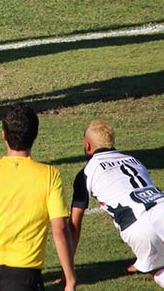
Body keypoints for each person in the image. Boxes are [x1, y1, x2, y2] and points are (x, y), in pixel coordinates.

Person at [0, 103, 76, 291]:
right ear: (35, 135)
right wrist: (70, 279)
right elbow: (59, 230)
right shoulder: (50, 176)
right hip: (24, 279)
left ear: (4, 135)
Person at [69, 121, 164, 288]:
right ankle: (143, 261)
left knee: (158, 269)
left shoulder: (86, 172)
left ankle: (149, 263)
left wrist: (68, 269)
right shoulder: (134, 160)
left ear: (88, 146)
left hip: (138, 226)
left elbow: (74, 225)